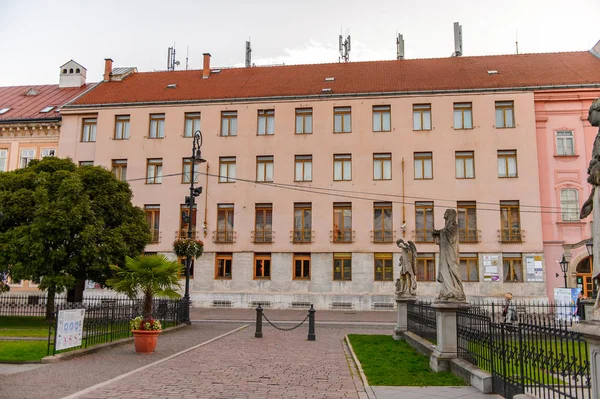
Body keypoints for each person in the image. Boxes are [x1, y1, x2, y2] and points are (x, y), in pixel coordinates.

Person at [432, 209, 465, 301]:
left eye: (446, 212)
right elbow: (443, 234)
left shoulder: (454, 226)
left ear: (450, 215)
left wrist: (439, 233)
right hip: (444, 252)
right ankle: (446, 291)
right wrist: (437, 234)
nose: (444, 214)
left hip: (450, 253)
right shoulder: (446, 228)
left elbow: (451, 238)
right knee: (443, 270)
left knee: (451, 268)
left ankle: (454, 291)